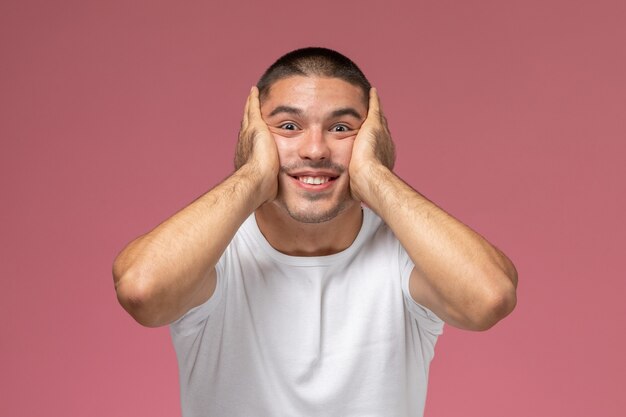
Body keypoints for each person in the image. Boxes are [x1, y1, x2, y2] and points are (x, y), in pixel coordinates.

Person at [113, 47, 518, 417]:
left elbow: (490, 297)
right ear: (252, 133)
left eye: (341, 128)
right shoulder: (212, 255)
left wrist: (376, 177)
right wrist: (252, 175)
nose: (315, 150)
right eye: (289, 126)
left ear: (372, 139)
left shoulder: (405, 257)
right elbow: (141, 292)